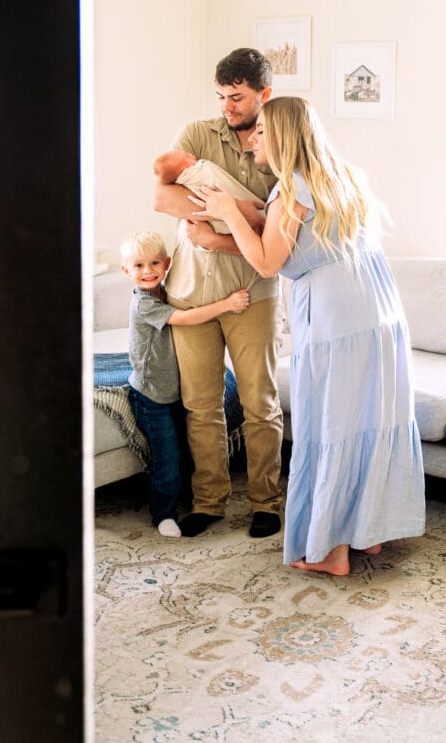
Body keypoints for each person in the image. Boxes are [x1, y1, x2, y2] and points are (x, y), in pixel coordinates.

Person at [190, 96, 426, 575]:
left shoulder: (290, 191)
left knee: (331, 425)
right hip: (378, 311)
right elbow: (296, 242)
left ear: (279, 136)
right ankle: (367, 534)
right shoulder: (341, 179)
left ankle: (331, 550)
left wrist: (227, 213)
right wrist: (229, 231)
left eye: (259, 133)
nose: (252, 140)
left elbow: (268, 262)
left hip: (336, 317)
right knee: (368, 420)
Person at [152, 48, 284, 539]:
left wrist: (226, 220)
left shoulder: (280, 141)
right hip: (190, 292)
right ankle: (209, 501)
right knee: (201, 406)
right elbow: (162, 198)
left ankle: (265, 502)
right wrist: (240, 210)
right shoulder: (196, 135)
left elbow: (279, 224)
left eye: (237, 97)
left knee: (259, 403)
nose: (227, 106)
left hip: (254, 291)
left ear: (263, 94)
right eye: (221, 96)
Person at [119, 230, 249, 538]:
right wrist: (227, 303)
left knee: (187, 449)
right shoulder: (143, 304)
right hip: (151, 396)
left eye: (154, 263)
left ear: (166, 264)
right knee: (167, 459)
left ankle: (194, 499)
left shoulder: (165, 290)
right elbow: (186, 318)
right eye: (138, 266)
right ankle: (162, 514)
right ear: (126, 271)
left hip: (174, 391)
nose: (147, 271)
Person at [154, 149, 265, 236]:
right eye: (186, 157)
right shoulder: (196, 174)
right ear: (181, 172)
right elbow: (158, 201)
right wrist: (235, 209)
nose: (190, 155)